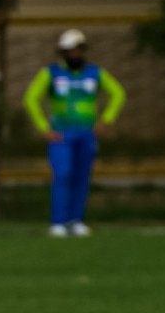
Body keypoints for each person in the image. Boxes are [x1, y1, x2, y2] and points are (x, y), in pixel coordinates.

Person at [23, 28, 127, 237]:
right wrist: (43, 127)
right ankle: (58, 222)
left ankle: (75, 221)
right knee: (63, 174)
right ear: (63, 53)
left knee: (81, 177)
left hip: (86, 134)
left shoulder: (95, 73)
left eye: (77, 50)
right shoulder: (51, 73)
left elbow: (118, 93)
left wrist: (106, 120)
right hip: (61, 135)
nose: (74, 54)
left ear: (83, 50)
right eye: (70, 51)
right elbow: (31, 98)